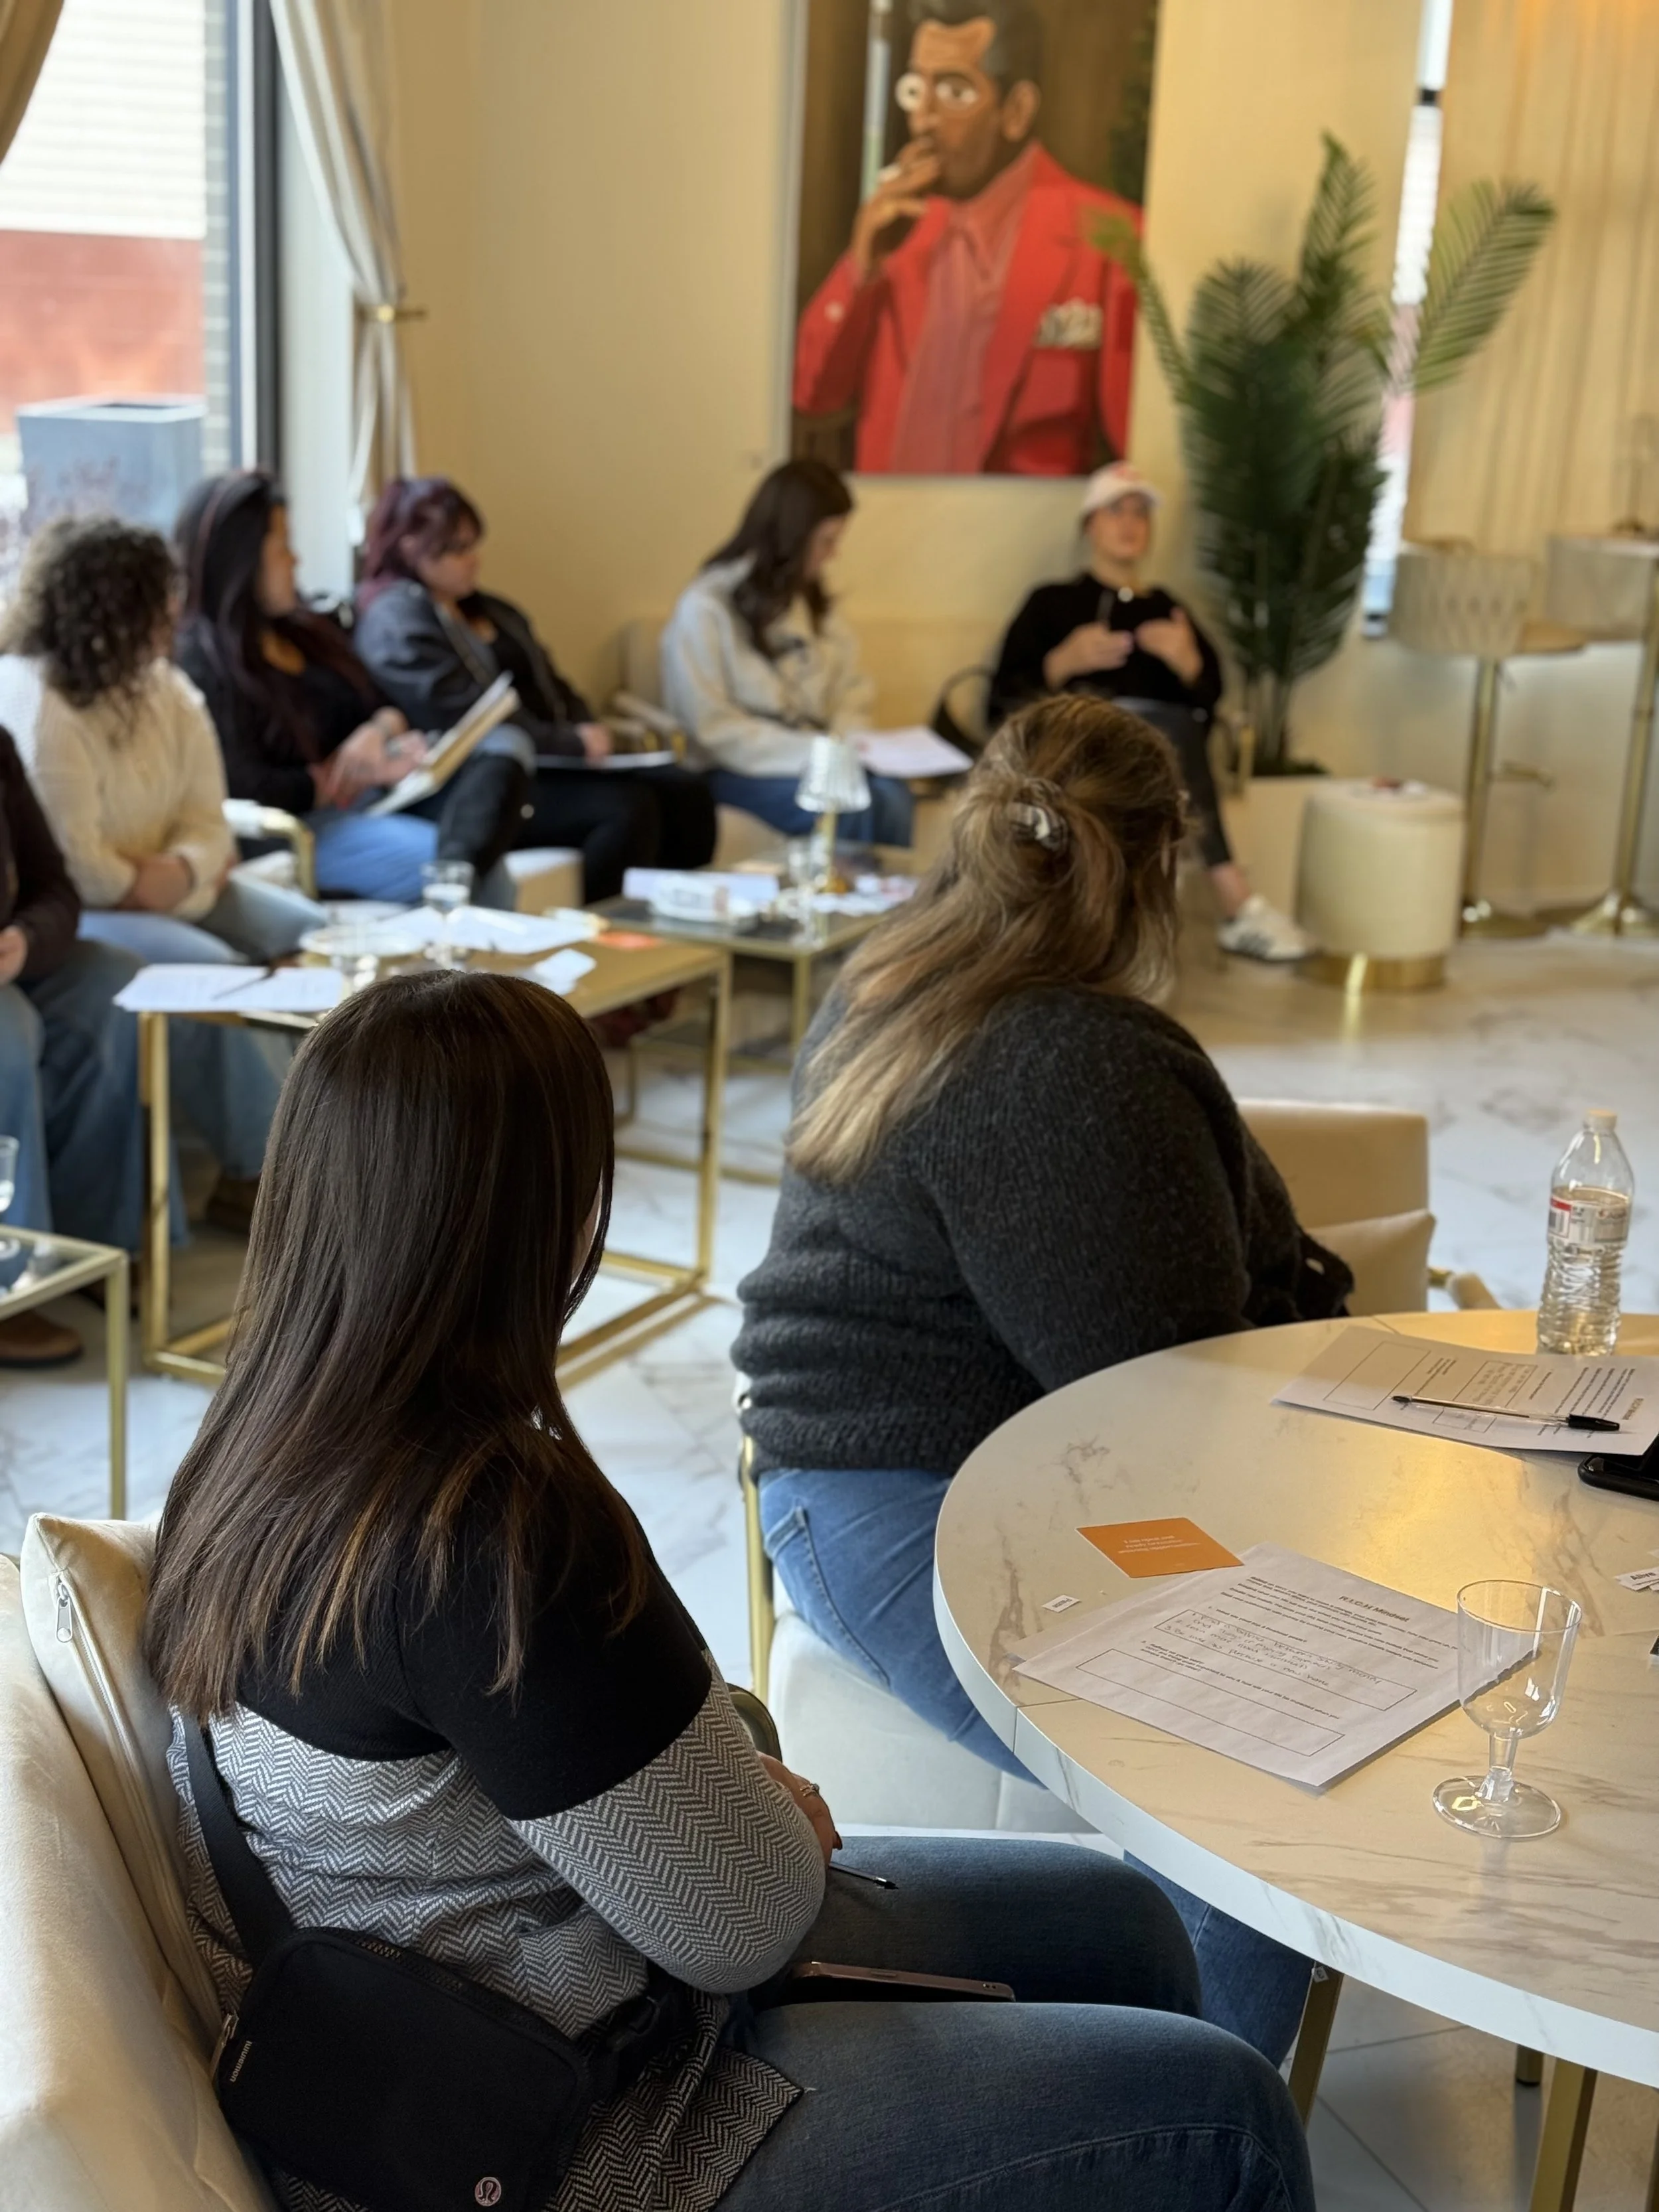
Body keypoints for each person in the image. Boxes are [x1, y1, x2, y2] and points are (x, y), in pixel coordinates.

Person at [143, 968, 1314, 2212]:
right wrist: (758, 1805)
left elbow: (607, 1771)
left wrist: (733, 1787)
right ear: (549, 1216)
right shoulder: (486, 1532)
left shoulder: (256, 1448)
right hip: (574, 2124)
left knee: (1131, 1918)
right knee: (1224, 2114)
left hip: (456, 2018)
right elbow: (742, 1922)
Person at [734, 695, 1355, 2069]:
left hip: (839, 1480)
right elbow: (1169, 1402)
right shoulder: (1075, 1061)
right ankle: (1179, 2134)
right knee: (1251, 1825)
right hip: (917, 1499)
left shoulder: (897, 974)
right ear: (1160, 857)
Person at [792, 0, 1139, 475]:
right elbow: (812, 394)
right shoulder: (899, 225)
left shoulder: (1108, 237)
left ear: (1016, 111)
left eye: (955, 92)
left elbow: (1140, 449)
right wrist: (862, 267)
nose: (923, 120)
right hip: (894, 530)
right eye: (917, 90)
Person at [991, 464, 1315, 962]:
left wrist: (1187, 664)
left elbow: (1211, 702)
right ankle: (1237, 903)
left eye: (1141, 513)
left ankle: (1209, 915)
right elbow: (1002, 702)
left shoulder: (1168, 610)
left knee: (1171, 729)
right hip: (1080, 750)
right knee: (1163, 731)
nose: (1130, 523)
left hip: (1162, 760)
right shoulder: (1051, 604)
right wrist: (1062, 662)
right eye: (1116, 510)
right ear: (1089, 525)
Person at [354, 475, 715, 903]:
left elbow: (553, 681)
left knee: (686, 789)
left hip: (550, 756)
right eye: (457, 549)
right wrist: (570, 743)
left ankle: (688, 930)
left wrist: (585, 728)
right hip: (479, 778)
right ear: (412, 546)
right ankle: (610, 938)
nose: (474, 559)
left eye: (474, 544)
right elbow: (465, 718)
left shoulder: (490, 609)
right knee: (625, 808)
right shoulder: (396, 622)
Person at [173, 471, 528, 907]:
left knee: (506, 748)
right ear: (241, 560)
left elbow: (386, 705)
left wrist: (375, 734)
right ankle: (470, 959)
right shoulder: (202, 661)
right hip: (302, 827)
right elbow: (245, 786)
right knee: (469, 869)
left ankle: (473, 951)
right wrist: (348, 777)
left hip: (377, 800)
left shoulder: (307, 630)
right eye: (283, 547)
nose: (296, 560)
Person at [660, 461, 912, 846]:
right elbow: (712, 728)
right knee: (852, 809)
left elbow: (850, 692)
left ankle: (896, 903)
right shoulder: (706, 607)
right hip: (736, 770)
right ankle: (848, 901)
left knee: (892, 794)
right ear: (792, 536)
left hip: (817, 759)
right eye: (827, 541)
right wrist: (820, 754)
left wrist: (850, 745)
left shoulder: (811, 603)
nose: (834, 555)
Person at [0, 726, 143, 1366]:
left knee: (112, 981)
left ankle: (98, 1244)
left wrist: (26, 939)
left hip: (10, 958)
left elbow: (55, 887)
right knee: (10, 1028)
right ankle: (9, 1288)